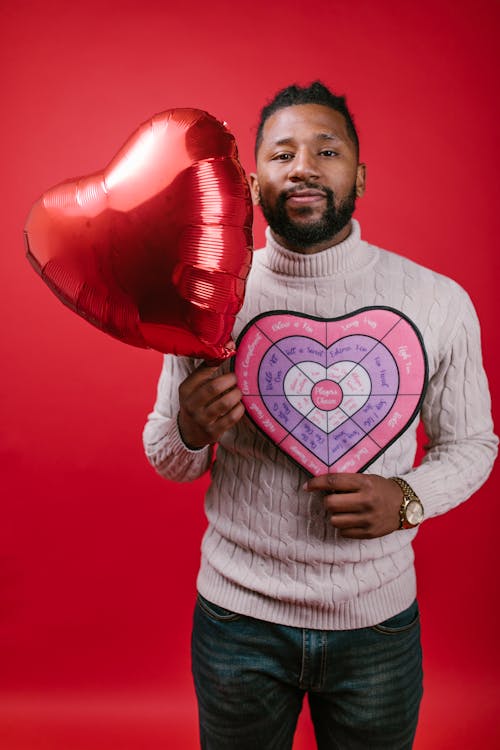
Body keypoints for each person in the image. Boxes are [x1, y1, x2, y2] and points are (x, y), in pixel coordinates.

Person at [143, 82, 497, 750]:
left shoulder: (437, 301)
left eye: (326, 150)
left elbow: (474, 444)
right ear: (253, 182)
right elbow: (166, 455)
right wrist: (189, 428)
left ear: (358, 174)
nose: (304, 165)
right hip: (237, 619)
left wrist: (408, 498)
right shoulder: (209, 297)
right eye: (283, 154)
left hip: (378, 625)